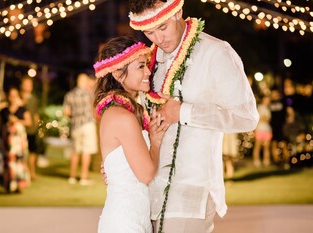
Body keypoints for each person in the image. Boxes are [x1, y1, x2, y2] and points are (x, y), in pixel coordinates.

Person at [127, 1, 259, 232]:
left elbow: (246, 116)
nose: (158, 38)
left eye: (163, 27)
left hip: (191, 192)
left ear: (178, 11)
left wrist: (184, 111)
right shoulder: (148, 62)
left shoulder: (215, 52)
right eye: (149, 32)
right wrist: (120, 160)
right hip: (148, 194)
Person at [94, 36, 168, 233]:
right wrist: (156, 141)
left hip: (135, 217)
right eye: (141, 66)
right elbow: (145, 174)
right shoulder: (122, 116)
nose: (148, 71)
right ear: (118, 74)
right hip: (124, 222)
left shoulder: (124, 111)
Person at [63, 73, 98, 185]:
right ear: (85, 82)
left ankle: (72, 177)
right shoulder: (89, 94)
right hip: (87, 124)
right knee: (86, 151)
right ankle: (83, 177)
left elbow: (67, 113)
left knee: (75, 151)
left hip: (75, 126)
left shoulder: (69, 95)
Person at [0, 87, 31, 192]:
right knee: (8, 162)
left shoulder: (22, 109)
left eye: (15, 96)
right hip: (8, 141)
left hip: (19, 141)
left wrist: (17, 121)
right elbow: (0, 125)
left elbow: (29, 122)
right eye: (11, 96)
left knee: (19, 162)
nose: (12, 98)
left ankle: (19, 184)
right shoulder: (4, 110)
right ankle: (9, 184)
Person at [20, 76, 40, 181]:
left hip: (32, 130)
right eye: (26, 84)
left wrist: (37, 126)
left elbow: (36, 114)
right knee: (22, 152)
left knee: (32, 152)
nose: (28, 87)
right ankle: (24, 173)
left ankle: (32, 172)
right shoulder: (18, 98)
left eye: (30, 85)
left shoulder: (34, 99)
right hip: (21, 130)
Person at [253, 95, 272, 167]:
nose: (268, 101)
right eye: (266, 99)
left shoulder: (268, 108)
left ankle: (266, 161)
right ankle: (256, 161)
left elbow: (268, 119)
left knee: (267, 147)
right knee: (257, 146)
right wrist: (264, 118)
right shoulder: (260, 107)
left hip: (267, 129)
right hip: (260, 129)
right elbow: (261, 118)